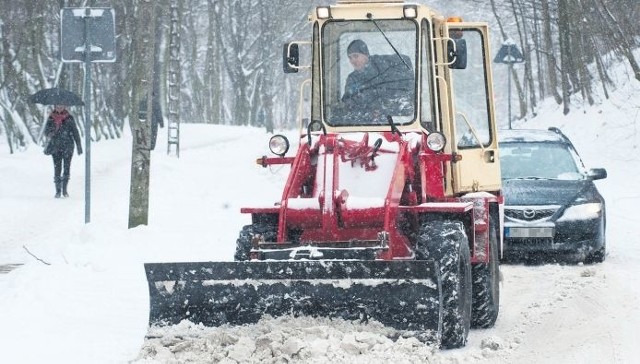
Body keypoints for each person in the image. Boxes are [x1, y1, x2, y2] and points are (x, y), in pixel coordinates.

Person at [340, 39, 414, 123]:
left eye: (356, 56)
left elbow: (395, 97)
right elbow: (348, 104)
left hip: (390, 123)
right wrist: (367, 112)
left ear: (366, 55)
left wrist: (380, 110)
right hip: (360, 124)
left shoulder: (384, 71)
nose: (352, 61)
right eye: (350, 58)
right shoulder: (352, 79)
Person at [44, 104, 82, 198]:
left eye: (61, 106)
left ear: (65, 106)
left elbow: (75, 132)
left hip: (68, 147)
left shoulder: (69, 118)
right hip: (55, 147)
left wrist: (79, 145)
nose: (59, 108)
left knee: (66, 168)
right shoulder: (51, 118)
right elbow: (46, 132)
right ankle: (58, 191)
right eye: (57, 106)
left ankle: (64, 190)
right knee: (57, 168)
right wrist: (52, 130)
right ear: (55, 107)